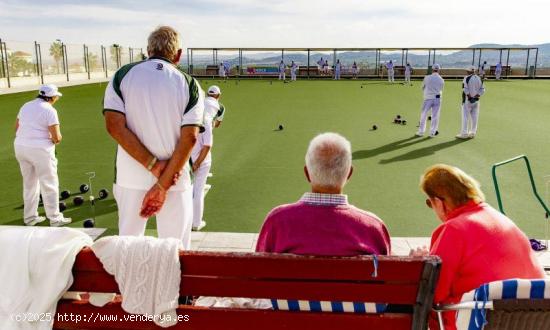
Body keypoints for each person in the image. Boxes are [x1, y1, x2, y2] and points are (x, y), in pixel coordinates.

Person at [103, 26, 204, 248]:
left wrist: (153, 166)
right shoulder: (189, 84)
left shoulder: (122, 76)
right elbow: (190, 139)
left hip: (130, 177)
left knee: (127, 247)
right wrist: (163, 181)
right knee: (177, 250)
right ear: (178, 55)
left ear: (148, 50)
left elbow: (114, 127)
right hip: (176, 180)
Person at [412, 164, 545, 330]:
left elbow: (431, 293)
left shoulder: (454, 229)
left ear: (439, 202)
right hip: (532, 320)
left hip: (479, 321)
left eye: (429, 202)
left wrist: (420, 265)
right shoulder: (498, 217)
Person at [256, 132, 391, 256]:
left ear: (307, 173)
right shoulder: (373, 227)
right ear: (349, 173)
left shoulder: (277, 221)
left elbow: (257, 270)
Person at [14, 84, 71, 227]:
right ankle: (55, 218)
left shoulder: (26, 105)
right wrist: (54, 140)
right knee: (49, 183)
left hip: (21, 147)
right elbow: (57, 137)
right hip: (40, 150)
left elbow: (17, 127)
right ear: (51, 97)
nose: (57, 98)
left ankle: (30, 218)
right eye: (56, 96)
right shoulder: (50, 110)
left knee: (29, 183)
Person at [416, 64, 444, 137]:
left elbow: (422, 87)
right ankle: (432, 132)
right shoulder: (441, 79)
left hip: (428, 98)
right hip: (437, 99)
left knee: (424, 114)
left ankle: (421, 132)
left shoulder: (427, 77)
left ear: (432, 69)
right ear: (439, 70)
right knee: (435, 116)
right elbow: (441, 89)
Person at [456, 65, 485, 139]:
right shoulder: (479, 78)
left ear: (468, 71)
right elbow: (483, 90)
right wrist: (476, 96)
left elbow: (465, 89)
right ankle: (472, 133)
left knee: (465, 117)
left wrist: (470, 97)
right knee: (475, 117)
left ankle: (464, 133)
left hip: (467, 100)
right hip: (476, 101)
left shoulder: (466, 78)